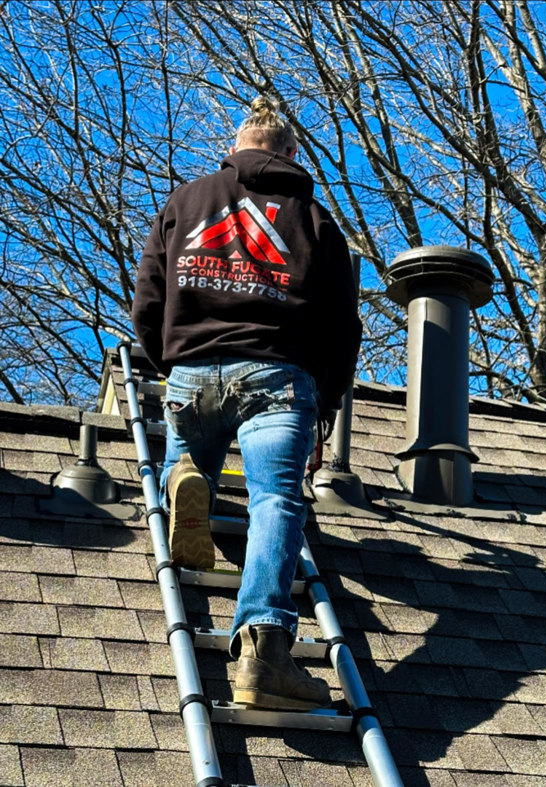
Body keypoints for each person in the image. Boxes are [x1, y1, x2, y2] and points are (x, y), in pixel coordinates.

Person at [132, 97, 362, 711]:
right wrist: (327, 404)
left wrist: (169, 359)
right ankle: (263, 653)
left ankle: (186, 475)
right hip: (277, 378)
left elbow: (149, 290)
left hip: (191, 374)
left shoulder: (187, 201)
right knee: (276, 502)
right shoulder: (313, 220)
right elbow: (342, 324)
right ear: (290, 153)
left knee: (196, 461)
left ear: (233, 149)